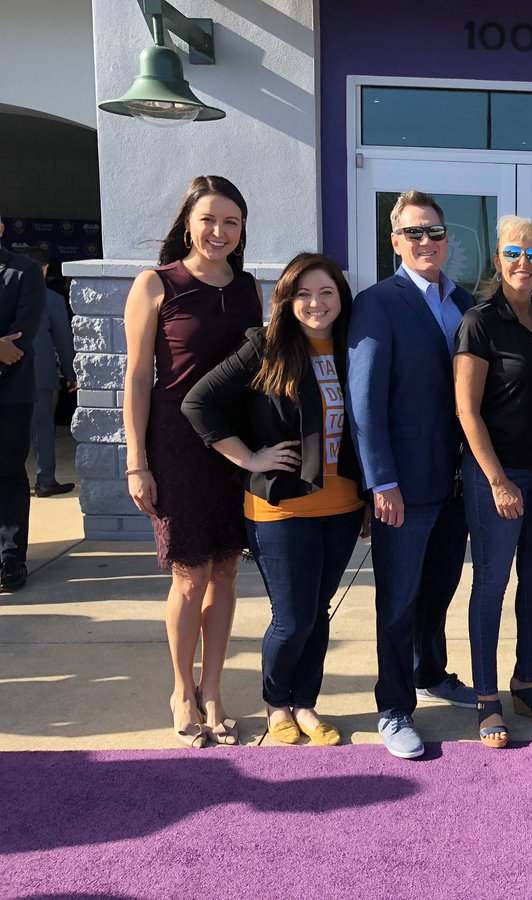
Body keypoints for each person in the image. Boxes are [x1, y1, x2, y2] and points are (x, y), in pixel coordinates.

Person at [183, 253, 367, 747]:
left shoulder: (354, 346)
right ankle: (276, 702)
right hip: (281, 508)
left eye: (326, 292)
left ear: (340, 298)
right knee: (292, 617)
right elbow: (197, 402)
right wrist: (249, 458)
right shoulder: (265, 347)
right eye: (303, 293)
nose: (316, 303)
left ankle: (305, 703)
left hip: (343, 505)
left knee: (319, 609)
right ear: (286, 300)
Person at [122, 176, 263, 748]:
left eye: (231, 222)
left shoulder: (251, 287)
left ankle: (213, 690)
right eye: (209, 220)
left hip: (234, 445)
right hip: (176, 446)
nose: (219, 232)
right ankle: (181, 690)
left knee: (226, 572)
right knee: (190, 574)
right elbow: (135, 379)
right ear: (188, 222)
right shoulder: (157, 284)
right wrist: (137, 462)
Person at [346, 190, 476, 760]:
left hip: (456, 481)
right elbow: (364, 400)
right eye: (415, 233)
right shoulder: (378, 302)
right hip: (405, 485)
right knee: (396, 601)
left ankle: (432, 671)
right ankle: (394, 705)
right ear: (395, 242)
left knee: (440, 589)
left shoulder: (466, 301)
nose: (427, 242)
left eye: (436, 232)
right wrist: (381, 481)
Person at [454, 216, 532, 749]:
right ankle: (486, 698)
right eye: (514, 253)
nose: (524, 263)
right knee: (492, 587)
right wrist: (498, 480)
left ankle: (526, 681)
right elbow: (467, 411)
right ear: (497, 260)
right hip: (498, 479)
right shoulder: (479, 323)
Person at [0, 211, 46, 593]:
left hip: (10, 393)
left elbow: (19, 339)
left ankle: (10, 557)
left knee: (7, 472)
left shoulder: (24, 272)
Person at [23, 247, 77, 498]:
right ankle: (45, 480)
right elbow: (64, 340)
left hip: (8, 374)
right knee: (42, 427)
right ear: (44, 269)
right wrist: (70, 373)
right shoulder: (51, 299)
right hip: (40, 374)